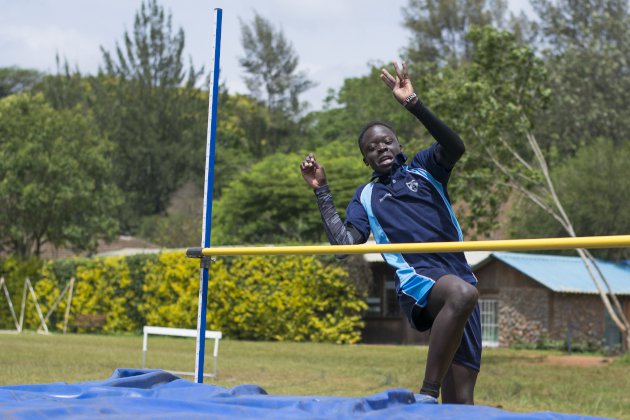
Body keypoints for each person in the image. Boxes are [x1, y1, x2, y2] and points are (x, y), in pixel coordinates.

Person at [300, 62, 481, 404]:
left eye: (386, 142)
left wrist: (414, 104)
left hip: (459, 276)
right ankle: (427, 393)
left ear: (399, 146)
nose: (380, 148)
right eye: (371, 147)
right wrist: (321, 191)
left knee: (462, 399)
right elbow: (343, 246)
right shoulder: (366, 195)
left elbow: (455, 147)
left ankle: (440, 401)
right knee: (462, 295)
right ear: (365, 160)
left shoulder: (426, 169)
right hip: (418, 279)